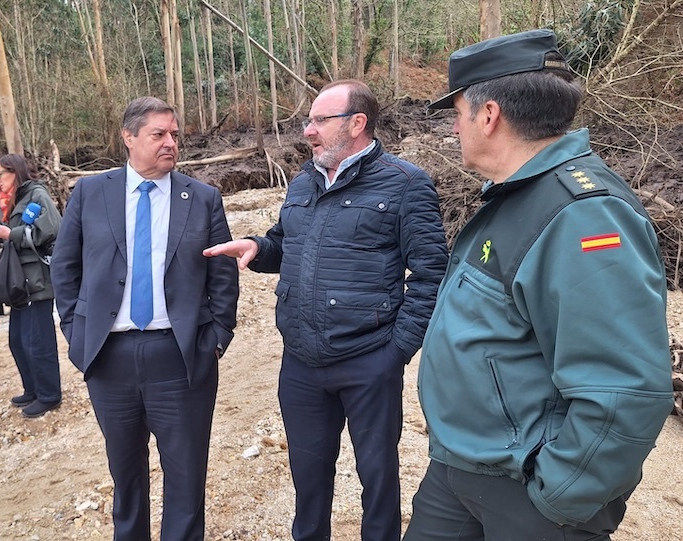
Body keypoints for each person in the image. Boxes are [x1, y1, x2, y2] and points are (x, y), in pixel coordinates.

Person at [404, 30, 674, 541]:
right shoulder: (520, 197)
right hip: (462, 469)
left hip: (527, 492)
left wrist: (559, 496)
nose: (454, 127)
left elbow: (626, 391)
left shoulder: (582, 215)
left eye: (457, 113)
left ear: (488, 116)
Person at [204, 79, 449, 540]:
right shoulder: (304, 180)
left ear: (358, 123)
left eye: (320, 120)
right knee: (308, 476)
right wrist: (258, 246)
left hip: (369, 361)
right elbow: (285, 240)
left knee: (377, 476)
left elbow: (432, 274)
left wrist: (394, 353)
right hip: (301, 362)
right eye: (309, 120)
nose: (307, 131)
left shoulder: (406, 185)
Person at [50, 96, 239, 540]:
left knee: (187, 475)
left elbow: (223, 274)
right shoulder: (90, 193)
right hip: (109, 357)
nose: (170, 143)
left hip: (180, 357)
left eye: (175, 134)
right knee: (125, 474)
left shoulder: (203, 198)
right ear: (129, 137)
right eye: (159, 134)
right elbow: (64, 267)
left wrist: (216, 337)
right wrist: (76, 334)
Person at [0, 154, 62, 419]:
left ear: (16, 172)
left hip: (36, 279)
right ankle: (32, 389)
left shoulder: (37, 196)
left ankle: (49, 395)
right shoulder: (8, 200)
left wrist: (12, 235)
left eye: (2, 174)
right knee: (18, 341)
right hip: (18, 281)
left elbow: (52, 230)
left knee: (38, 342)